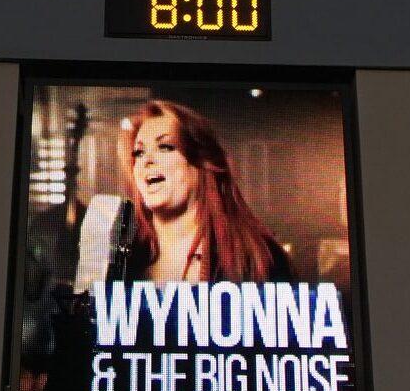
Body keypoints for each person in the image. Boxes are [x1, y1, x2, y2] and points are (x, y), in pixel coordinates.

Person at [119, 99, 293, 284]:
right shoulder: (121, 258)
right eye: (139, 152)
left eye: (165, 147)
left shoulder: (255, 256)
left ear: (202, 162)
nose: (147, 160)